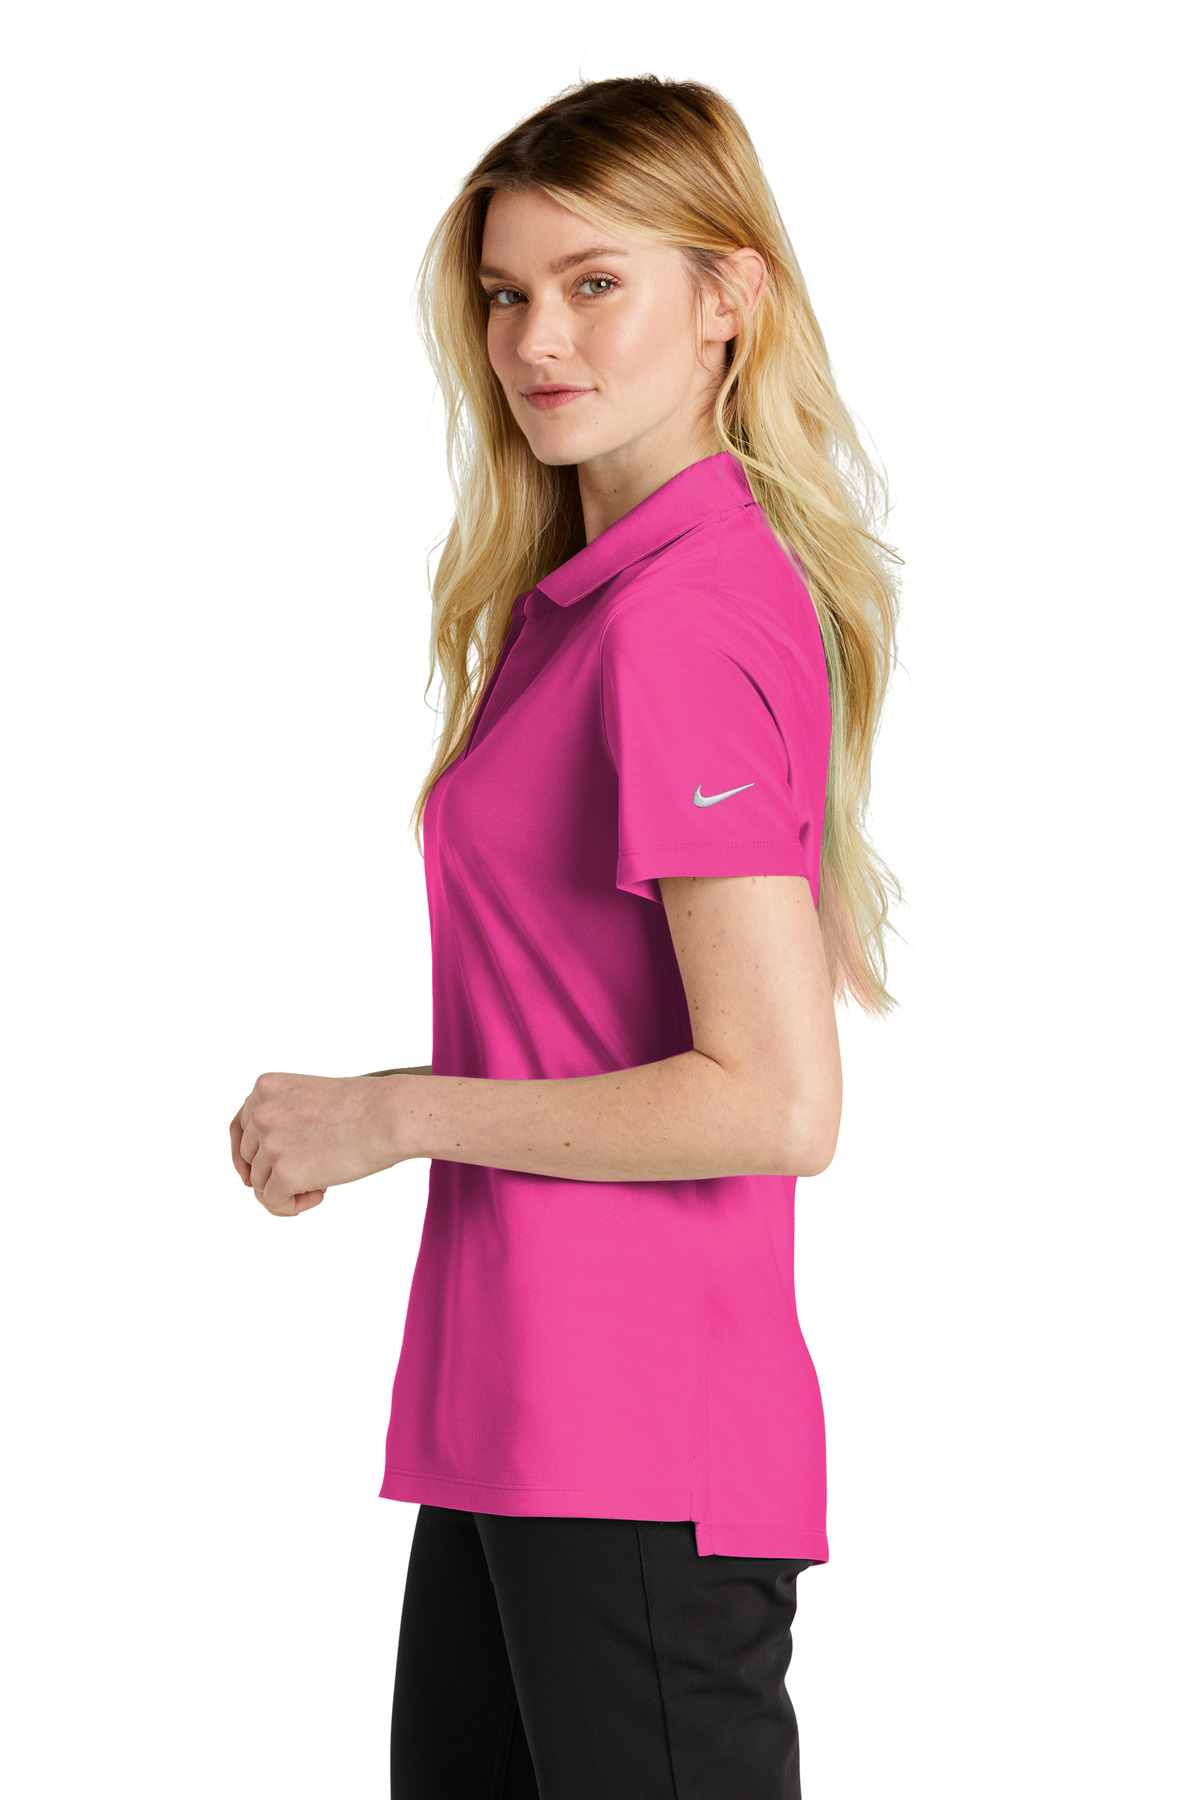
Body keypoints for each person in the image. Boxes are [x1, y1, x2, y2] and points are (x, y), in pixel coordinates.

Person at [229, 73, 900, 1800]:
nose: (537, 339)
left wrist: (394, 1113)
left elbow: (777, 1101)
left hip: (639, 1438)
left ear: (729, 296)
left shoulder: (681, 620)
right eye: (507, 292)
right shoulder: (591, 606)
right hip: (522, 1422)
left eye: (596, 283)